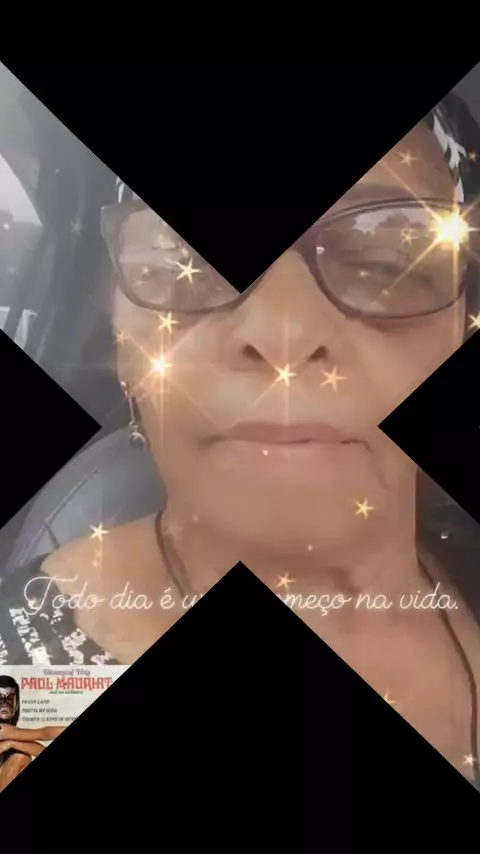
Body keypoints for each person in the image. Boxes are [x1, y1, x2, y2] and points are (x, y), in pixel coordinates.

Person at [1, 91, 480, 785]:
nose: (282, 334)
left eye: (385, 256)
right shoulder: (29, 674)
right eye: (183, 255)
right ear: (122, 340)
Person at [0, 675, 66, 791]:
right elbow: (42, 733)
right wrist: (14, 735)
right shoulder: (6, 731)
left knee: (22, 758)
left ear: (16, 703)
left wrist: (11, 742)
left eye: (9, 698)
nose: (4, 703)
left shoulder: (8, 732)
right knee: (20, 759)